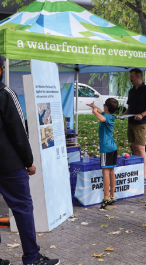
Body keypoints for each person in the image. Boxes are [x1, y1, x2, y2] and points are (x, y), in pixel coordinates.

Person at [0, 59, 60, 265]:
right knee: (23, 208)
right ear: (1, 69)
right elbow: (18, 131)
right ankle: (32, 258)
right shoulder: (6, 94)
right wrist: (29, 162)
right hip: (9, 165)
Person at [121, 68, 146, 186]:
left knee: (141, 148)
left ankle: (144, 176)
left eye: (131, 77)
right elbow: (130, 106)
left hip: (142, 124)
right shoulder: (131, 91)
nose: (130, 79)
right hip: (131, 122)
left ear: (138, 77)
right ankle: (137, 172)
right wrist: (124, 114)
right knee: (134, 147)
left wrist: (142, 115)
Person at [87, 98, 119, 209]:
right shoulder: (110, 115)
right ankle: (112, 195)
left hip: (106, 148)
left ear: (106, 107)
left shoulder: (106, 118)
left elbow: (101, 117)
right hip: (113, 148)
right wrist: (94, 107)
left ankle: (106, 197)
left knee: (106, 172)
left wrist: (94, 112)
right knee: (111, 171)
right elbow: (101, 112)